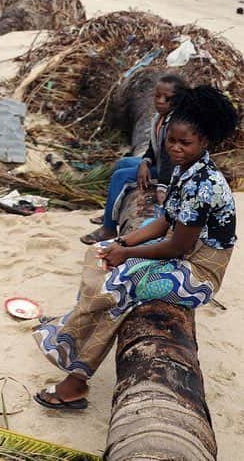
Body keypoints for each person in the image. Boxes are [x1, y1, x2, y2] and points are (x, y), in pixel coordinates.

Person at [32, 85, 238, 410]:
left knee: (123, 284)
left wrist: (126, 254)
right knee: (99, 253)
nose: (175, 148)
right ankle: (71, 334)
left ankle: (75, 382)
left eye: (185, 143)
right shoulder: (186, 171)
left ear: (205, 142)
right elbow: (162, 223)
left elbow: (176, 246)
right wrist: (120, 242)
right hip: (184, 254)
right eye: (171, 140)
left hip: (199, 273)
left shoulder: (204, 185)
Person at [80, 74, 188, 245]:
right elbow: (154, 148)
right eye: (157, 96)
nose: (160, 101)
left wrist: (162, 186)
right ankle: (112, 211)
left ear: (179, 100)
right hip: (159, 165)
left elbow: (170, 160)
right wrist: (145, 162)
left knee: (121, 176)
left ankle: (108, 229)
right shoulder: (160, 118)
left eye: (167, 98)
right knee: (124, 163)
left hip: (170, 173)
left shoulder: (175, 124)